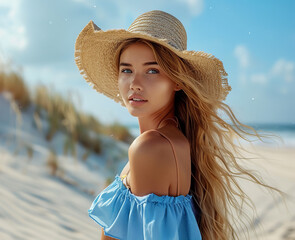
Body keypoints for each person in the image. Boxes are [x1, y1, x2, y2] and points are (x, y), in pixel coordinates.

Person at [74, 10, 284, 240]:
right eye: (127, 70)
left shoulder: (151, 147)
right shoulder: (171, 140)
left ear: (176, 81)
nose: (134, 83)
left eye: (152, 70)